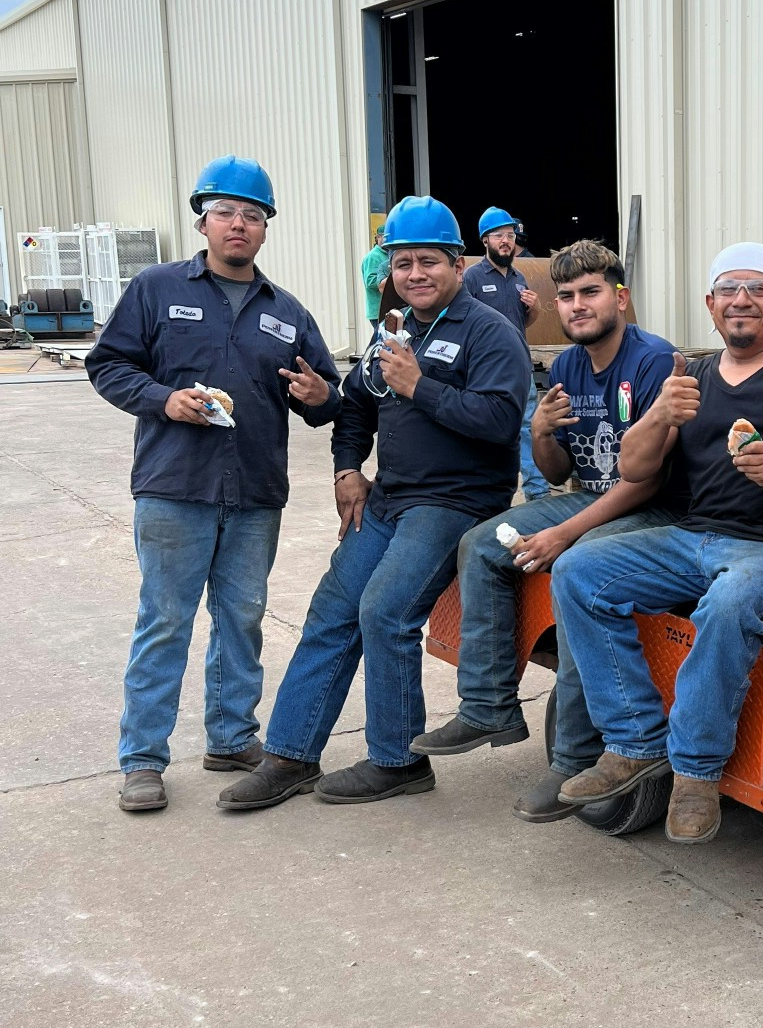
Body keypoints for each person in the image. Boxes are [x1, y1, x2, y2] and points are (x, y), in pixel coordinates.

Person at [550, 243, 763, 844]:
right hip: (694, 536)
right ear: (710, 304)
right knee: (578, 570)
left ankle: (695, 772)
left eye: (757, 289)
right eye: (729, 289)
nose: (741, 300)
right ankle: (634, 744)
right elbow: (634, 466)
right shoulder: (693, 376)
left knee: (729, 605)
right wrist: (658, 416)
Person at [218, 197, 531, 812]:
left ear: (458, 264)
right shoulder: (395, 329)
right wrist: (347, 469)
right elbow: (357, 403)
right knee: (333, 609)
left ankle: (398, 761)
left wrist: (422, 387)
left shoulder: (491, 332)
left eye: (428, 262)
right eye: (403, 262)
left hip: (455, 503)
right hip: (389, 498)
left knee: (386, 611)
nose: (415, 274)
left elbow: (500, 421)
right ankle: (290, 755)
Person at [85, 156, 341, 813]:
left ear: (265, 229)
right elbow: (108, 362)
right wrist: (161, 400)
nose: (238, 224)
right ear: (203, 221)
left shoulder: (285, 312)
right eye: (226, 212)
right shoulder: (157, 288)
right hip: (175, 488)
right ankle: (143, 759)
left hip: (254, 494)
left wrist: (319, 395)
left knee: (242, 620)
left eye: (252, 216)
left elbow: (324, 398)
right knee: (165, 621)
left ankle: (231, 738)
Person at [410, 238, 681, 820]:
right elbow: (562, 470)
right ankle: (488, 708)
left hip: (653, 507)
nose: (578, 305)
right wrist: (538, 434)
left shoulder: (652, 359)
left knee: (580, 581)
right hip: (590, 496)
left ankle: (573, 759)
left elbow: (650, 480)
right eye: (566, 296)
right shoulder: (566, 365)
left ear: (620, 297)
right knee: (480, 544)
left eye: (591, 292)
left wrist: (565, 536)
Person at [464, 205, 547, 500]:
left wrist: (535, 309)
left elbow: (524, 322)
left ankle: (537, 492)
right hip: (486, 371)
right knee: (488, 429)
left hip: (520, 366)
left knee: (529, 426)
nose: (506, 240)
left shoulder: (519, 279)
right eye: (498, 235)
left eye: (510, 235)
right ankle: (487, 490)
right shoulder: (471, 279)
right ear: (485, 240)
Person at [360, 224, 390, 324]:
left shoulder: (390, 254)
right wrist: (389, 279)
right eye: (384, 236)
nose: (387, 239)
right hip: (378, 311)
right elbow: (370, 282)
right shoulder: (372, 257)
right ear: (378, 237)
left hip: (390, 309)